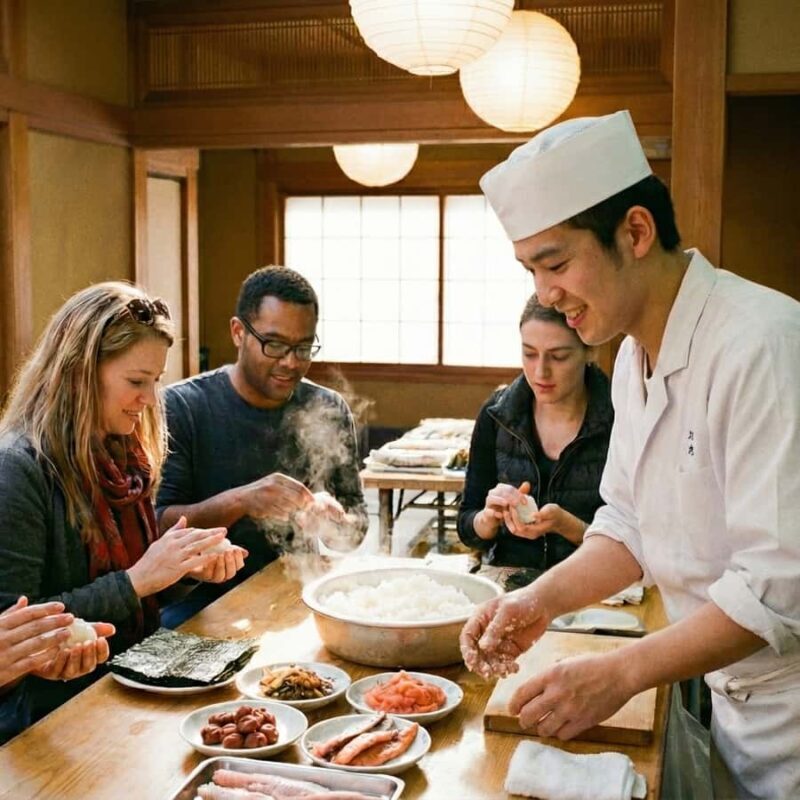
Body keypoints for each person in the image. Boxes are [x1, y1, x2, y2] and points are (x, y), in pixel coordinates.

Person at [460, 110, 800, 798]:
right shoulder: (632, 363)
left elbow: (780, 583)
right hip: (738, 705)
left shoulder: (761, 344)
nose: (544, 293)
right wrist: (537, 600)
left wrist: (621, 672)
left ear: (635, 232)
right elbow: (629, 522)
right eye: (531, 270)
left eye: (555, 263)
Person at [0, 282, 244, 741]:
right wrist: (140, 579)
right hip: (46, 723)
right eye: (136, 382)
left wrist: (185, 567)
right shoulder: (17, 471)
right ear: (78, 373)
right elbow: (15, 634)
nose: (150, 399)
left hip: (125, 690)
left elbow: (139, 592)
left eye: (155, 381)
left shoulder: (121, 454)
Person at [156, 265, 368, 619]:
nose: (290, 362)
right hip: (199, 601)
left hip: (296, 592)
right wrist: (243, 500)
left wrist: (333, 520)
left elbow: (356, 525)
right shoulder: (183, 407)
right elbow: (159, 523)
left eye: (303, 348)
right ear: (239, 332)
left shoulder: (327, 407)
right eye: (274, 345)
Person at [457, 294, 612, 587]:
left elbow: (642, 539)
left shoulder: (620, 417)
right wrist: (488, 520)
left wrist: (571, 527)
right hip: (510, 586)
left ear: (589, 352)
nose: (541, 371)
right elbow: (467, 525)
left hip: (594, 588)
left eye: (559, 356)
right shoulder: (498, 414)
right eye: (529, 353)